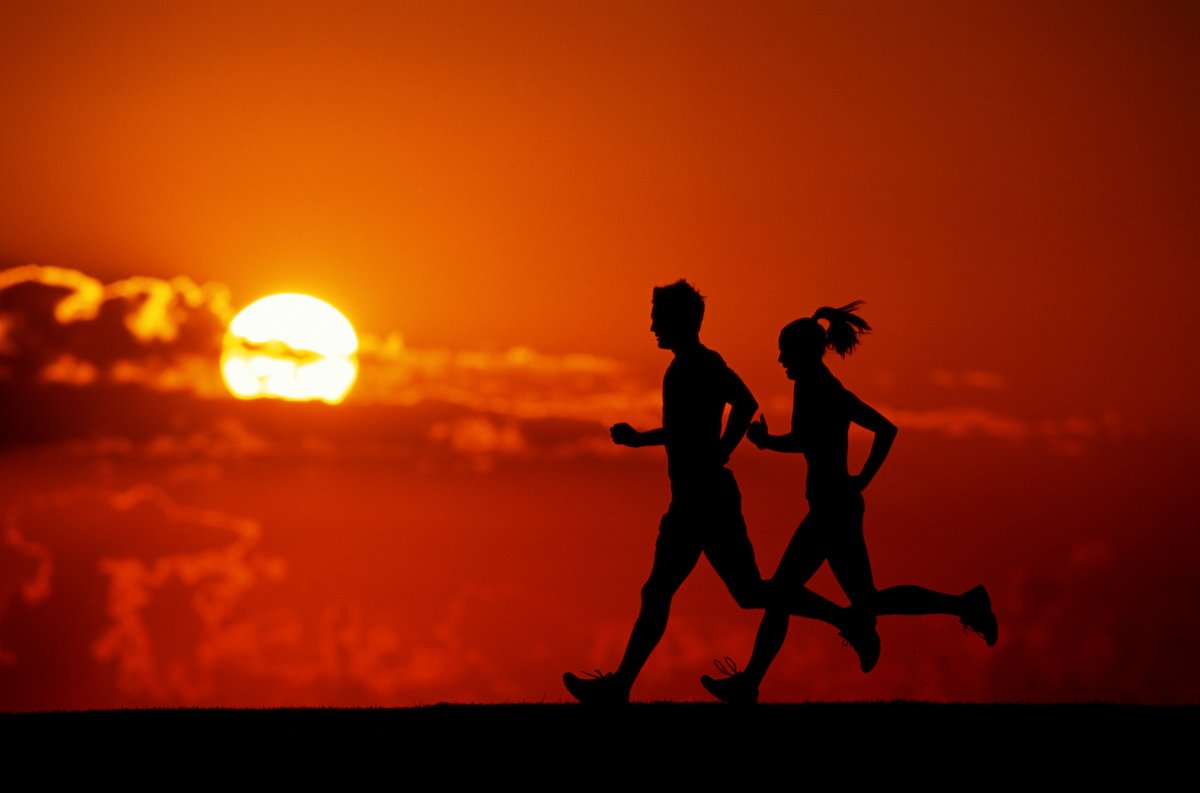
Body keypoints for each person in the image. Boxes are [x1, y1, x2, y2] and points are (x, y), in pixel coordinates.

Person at [564, 282, 873, 704]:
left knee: (745, 592)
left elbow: (742, 404)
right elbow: (707, 421)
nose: (652, 325)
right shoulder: (684, 367)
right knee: (671, 591)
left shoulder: (703, 364)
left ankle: (848, 621)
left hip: (708, 499)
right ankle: (619, 686)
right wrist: (675, 445)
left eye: (659, 317)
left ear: (682, 321)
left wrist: (717, 450)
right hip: (691, 498)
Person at [701, 302, 998, 705]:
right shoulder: (820, 385)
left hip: (831, 510)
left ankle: (752, 681)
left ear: (804, 352)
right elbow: (864, 432)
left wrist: (857, 478)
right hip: (836, 505)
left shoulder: (816, 387)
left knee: (782, 592)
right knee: (862, 599)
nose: (779, 359)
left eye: (784, 351)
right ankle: (964, 604)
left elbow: (859, 433)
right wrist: (849, 477)